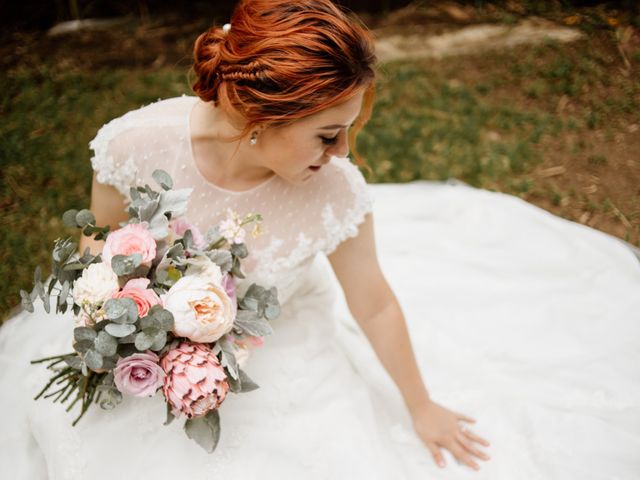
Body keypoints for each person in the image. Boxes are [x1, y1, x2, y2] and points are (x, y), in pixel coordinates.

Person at [1, 0, 639, 479]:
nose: (343, 152)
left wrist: (419, 406)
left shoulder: (336, 193)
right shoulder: (132, 147)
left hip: (278, 344)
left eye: (348, 129)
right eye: (327, 134)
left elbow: (376, 304)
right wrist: (127, 315)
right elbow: (101, 243)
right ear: (259, 118)